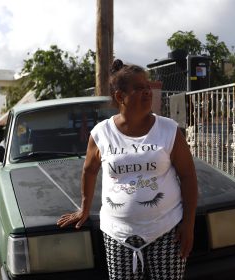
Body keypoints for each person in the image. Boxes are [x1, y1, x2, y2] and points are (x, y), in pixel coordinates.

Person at [57, 59, 198, 280]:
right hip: (118, 234)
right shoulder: (101, 133)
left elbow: (188, 176)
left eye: (147, 86)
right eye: (139, 88)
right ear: (120, 97)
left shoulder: (168, 129)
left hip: (167, 229)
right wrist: (84, 208)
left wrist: (189, 224)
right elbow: (89, 170)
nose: (147, 92)